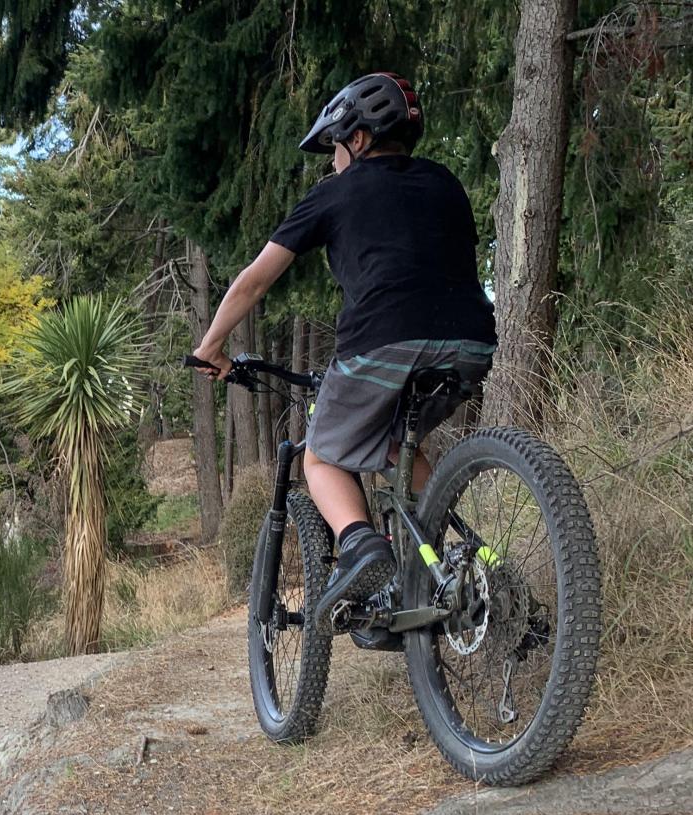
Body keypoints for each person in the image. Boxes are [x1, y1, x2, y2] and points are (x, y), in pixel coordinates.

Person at [189, 72, 497, 647]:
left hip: (384, 342)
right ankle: (463, 564)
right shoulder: (445, 182)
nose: (331, 162)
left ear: (356, 139)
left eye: (333, 148)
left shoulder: (337, 192)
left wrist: (209, 348)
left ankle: (361, 548)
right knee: (393, 447)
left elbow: (255, 282)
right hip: (472, 344)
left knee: (323, 456)